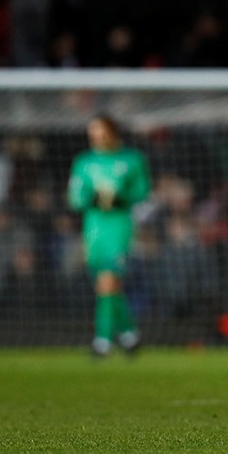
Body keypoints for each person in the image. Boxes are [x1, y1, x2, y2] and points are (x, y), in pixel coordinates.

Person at [68, 114, 151, 357]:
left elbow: (142, 190)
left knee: (108, 281)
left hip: (119, 225)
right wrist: (93, 197)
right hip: (93, 228)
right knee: (105, 286)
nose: (95, 136)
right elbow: (74, 198)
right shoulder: (83, 162)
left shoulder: (132, 159)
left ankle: (101, 341)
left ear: (112, 132)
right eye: (92, 131)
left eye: (100, 130)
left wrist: (120, 197)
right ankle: (129, 334)